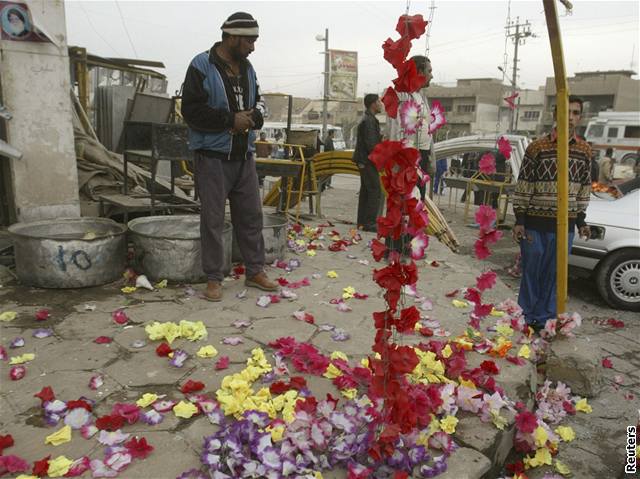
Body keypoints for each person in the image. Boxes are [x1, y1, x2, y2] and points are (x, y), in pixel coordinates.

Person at [181, 11, 278, 302]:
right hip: (212, 157)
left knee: (251, 216)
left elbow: (259, 100)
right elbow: (192, 110)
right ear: (233, 37)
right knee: (212, 219)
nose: (253, 47)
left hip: (243, 156)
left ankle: (254, 270)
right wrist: (229, 120)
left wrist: (255, 118)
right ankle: (214, 277)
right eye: (250, 40)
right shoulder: (201, 65)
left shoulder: (248, 68)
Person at [513, 95, 591, 331]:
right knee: (531, 272)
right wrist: (520, 220)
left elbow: (583, 189)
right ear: (555, 114)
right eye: (565, 112)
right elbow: (524, 184)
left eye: (575, 112)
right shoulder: (538, 147)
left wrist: (581, 221)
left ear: (580, 117)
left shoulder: (585, 151)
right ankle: (525, 318)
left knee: (554, 275)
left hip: (564, 226)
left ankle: (544, 320)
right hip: (535, 224)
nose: (570, 117)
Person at [389, 55, 434, 200]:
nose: (431, 76)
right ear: (419, 72)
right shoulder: (403, 95)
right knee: (406, 200)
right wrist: (397, 159)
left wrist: (431, 157)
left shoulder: (422, 98)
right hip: (408, 157)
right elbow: (395, 128)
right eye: (429, 71)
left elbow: (428, 129)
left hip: (423, 155)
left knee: (419, 198)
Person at [353, 94, 383, 232]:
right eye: (378, 101)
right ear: (372, 104)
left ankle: (362, 222)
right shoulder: (369, 121)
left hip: (364, 160)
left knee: (366, 191)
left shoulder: (369, 119)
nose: (381, 103)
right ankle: (370, 223)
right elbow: (371, 145)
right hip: (367, 161)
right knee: (375, 190)